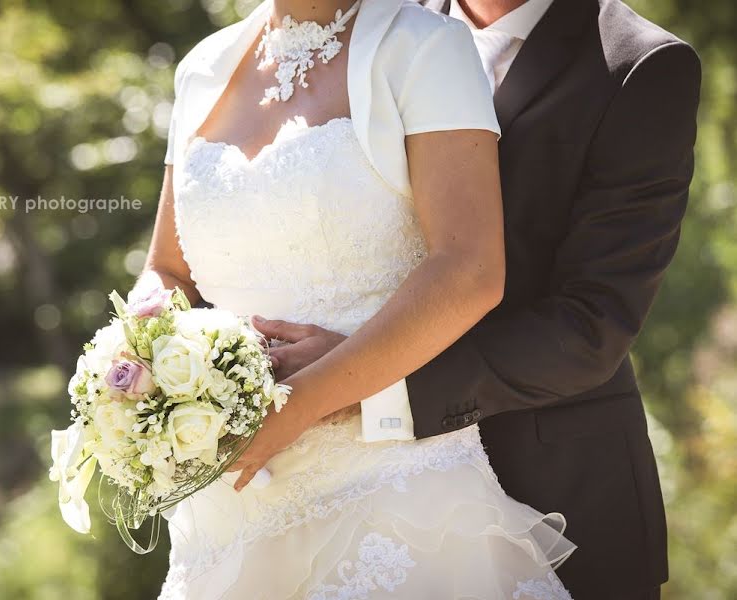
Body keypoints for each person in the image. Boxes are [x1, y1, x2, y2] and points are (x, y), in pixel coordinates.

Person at [250, 0, 702, 598]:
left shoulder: (641, 66)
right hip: (343, 498)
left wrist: (359, 386)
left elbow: (591, 326)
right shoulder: (378, 27)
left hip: (553, 492)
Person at [136, 0, 581, 597]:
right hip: (227, 512)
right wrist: (135, 359)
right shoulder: (201, 68)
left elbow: (470, 268)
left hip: (392, 493)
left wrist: (299, 404)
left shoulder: (425, 47)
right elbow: (166, 269)